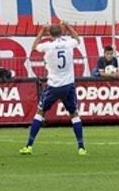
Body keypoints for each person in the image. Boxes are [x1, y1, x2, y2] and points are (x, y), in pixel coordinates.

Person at [19, 23, 86, 156]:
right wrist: (68, 26)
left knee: (40, 113)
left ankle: (29, 146)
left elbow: (34, 47)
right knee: (74, 114)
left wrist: (41, 31)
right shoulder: (69, 43)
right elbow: (78, 39)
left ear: (49, 34)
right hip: (68, 85)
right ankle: (81, 147)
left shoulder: (48, 46)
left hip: (54, 85)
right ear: (62, 32)